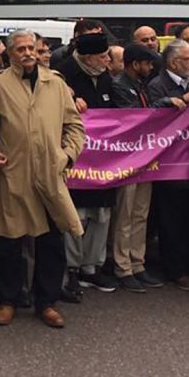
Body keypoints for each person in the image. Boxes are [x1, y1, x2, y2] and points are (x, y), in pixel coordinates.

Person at [0, 29, 85, 328]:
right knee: (10, 242)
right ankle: (8, 300)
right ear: (9, 53)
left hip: (50, 175)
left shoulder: (56, 83)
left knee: (51, 242)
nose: (27, 53)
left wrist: (66, 156)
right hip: (14, 174)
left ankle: (46, 302)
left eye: (31, 48)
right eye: (20, 48)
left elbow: (74, 126)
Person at [146, 40, 189, 292]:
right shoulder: (157, 85)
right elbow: (150, 118)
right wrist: (176, 99)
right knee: (172, 220)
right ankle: (175, 269)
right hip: (169, 164)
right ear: (174, 63)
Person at [57, 33, 120, 295]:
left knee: (101, 215)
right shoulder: (62, 77)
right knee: (76, 216)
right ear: (87, 57)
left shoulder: (105, 78)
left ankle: (91, 266)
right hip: (76, 163)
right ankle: (71, 268)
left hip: (101, 162)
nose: (108, 60)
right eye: (103, 56)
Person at [109, 43, 164, 291]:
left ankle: (138, 261)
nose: (150, 68)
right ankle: (122, 265)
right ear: (135, 64)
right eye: (147, 63)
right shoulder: (119, 85)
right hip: (127, 158)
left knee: (141, 213)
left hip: (146, 156)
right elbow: (133, 116)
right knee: (125, 214)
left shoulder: (141, 85)